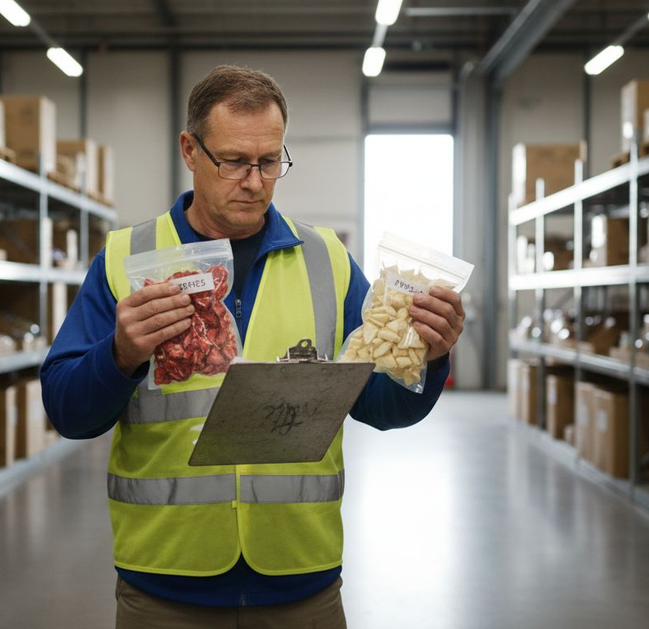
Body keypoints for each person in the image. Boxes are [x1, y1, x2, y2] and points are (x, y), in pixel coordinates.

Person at [40, 65, 465, 628]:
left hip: (301, 584)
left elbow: (384, 406)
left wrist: (431, 357)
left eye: (270, 161)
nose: (255, 181)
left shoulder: (326, 260)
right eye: (235, 161)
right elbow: (67, 411)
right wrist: (118, 355)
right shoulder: (126, 259)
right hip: (166, 585)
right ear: (190, 151)